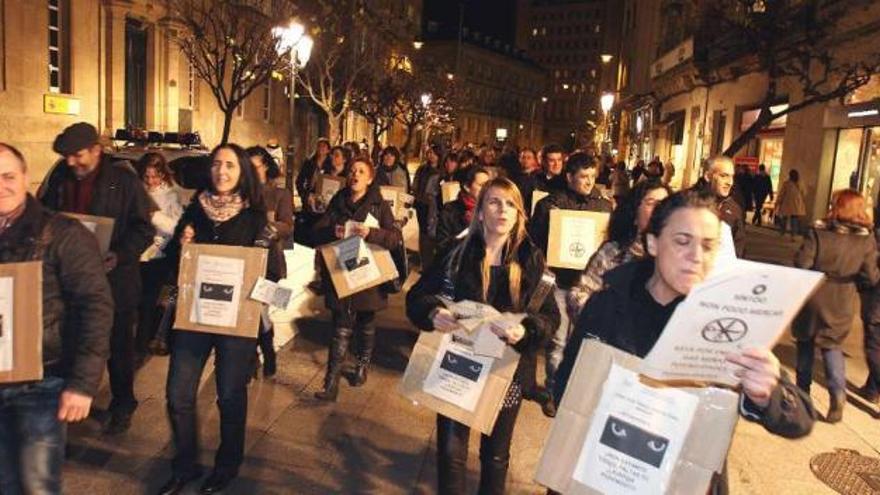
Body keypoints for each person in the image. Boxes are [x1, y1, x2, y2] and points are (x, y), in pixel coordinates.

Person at [555, 190, 815, 493]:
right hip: (604, 472)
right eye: (682, 241)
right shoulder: (606, 305)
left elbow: (801, 419)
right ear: (653, 243)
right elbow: (565, 386)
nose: (696, 257)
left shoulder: (725, 321)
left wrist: (767, 395)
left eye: (708, 246)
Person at [406, 178, 560, 495]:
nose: (502, 210)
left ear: (519, 214)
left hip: (508, 372)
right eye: (494, 202)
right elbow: (418, 296)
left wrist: (525, 329)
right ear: (480, 212)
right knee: (450, 454)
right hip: (458, 365)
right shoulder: (455, 252)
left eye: (510, 204)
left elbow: (550, 318)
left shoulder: (532, 260)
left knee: (495, 456)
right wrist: (434, 313)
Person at [160, 144, 285, 495]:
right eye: (216, 164)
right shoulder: (194, 212)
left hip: (235, 327)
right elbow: (174, 265)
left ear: (242, 172)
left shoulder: (255, 219)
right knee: (177, 394)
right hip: (194, 321)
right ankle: (185, 465)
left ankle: (227, 466)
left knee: (229, 396)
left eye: (230, 165)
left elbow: (273, 276)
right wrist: (180, 247)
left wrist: (256, 279)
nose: (221, 171)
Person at [0, 143, 113, 494]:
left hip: (41, 384)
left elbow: (96, 306)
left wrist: (81, 384)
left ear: (26, 178)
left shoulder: (63, 234)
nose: (0, 185)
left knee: (36, 486)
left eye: (7, 176)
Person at [39, 122, 154, 435]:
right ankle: (70, 397)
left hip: (115, 281)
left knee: (118, 348)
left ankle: (123, 403)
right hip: (71, 284)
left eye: (77, 155)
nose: (72, 162)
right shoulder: (61, 180)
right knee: (73, 344)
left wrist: (119, 253)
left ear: (96, 150)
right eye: (67, 156)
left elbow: (144, 228)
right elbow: (44, 218)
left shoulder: (124, 182)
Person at [529, 152, 613, 417]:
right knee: (558, 342)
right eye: (583, 177)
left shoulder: (604, 207)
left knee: (585, 343)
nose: (589, 182)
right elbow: (535, 241)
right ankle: (554, 392)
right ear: (569, 177)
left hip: (589, 287)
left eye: (592, 176)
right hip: (559, 283)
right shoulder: (550, 205)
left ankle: (576, 392)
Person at [311, 157, 402, 401]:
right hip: (341, 272)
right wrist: (333, 230)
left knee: (365, 323)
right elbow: (317, 230)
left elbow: (394, 238)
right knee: (339, 327)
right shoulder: (338, 201)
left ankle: (362, 364)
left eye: (361, 171)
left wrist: (372, 233)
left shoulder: (378, 205)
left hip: (367, 273)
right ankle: (330, 384)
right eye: (352, 170)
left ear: (370, 178)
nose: (355, 175)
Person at [792, 189, 879, 423]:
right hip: (843, 298)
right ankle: (837, 396)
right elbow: (871, 276)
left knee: (805, 344)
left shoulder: (818, 231)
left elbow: (802, 263)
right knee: (832, 346)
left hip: (814, 294)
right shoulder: (866, 239)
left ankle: (802, 396)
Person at [567, 180, 671, 321]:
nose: (659, 209)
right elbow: (579, 295)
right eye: (651, 203)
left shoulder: (675, 257)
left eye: (664, 203)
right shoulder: (613, 252)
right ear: (635, 213)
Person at [247, 146, 294, 378]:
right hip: (245, 260)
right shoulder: (241, 193)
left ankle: (268, 350)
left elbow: (287, 225)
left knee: (262, 311)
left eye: (255, 166)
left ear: (266, 166)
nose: (252, 172)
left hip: (270, 261)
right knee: (248, 309)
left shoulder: (280, 194)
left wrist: (270, 228)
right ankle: (252, 356)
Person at [136, 152, 186, 356]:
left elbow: (177, 227)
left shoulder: (172, 195)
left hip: (160, 254)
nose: (151, 181)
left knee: (153, 300)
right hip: (138, 253)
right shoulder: (138, 191)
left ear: (163, 175)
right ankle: (141, 339)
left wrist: (155, 217)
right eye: (146, 177)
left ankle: (148, 340)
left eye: (155, 176)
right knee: (138, 301)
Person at [700, 155, 745, 256]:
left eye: (732, 176)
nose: (730, 182)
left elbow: (739, 246)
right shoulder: (689, 203)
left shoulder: (735, 208)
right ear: (708, 176)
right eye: (723, 176)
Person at [437, 166, 490, 251]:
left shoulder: (491, 209)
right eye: (482, 185)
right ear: (467, 187)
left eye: (489, 184)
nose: (487, 188)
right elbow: (442, 245)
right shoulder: (450, 211)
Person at [294, 138, 331, 245]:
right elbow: (300, 181)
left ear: (328, 150)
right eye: (319, 146)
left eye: (324, 147)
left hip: (323, 199)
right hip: (309, 197)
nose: (321, 149)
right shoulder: (309, 162)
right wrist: (304, 195)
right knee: (307, 222)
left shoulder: (330, 164)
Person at [413, 143, 443, 270]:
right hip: (421, 204)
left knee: (433, 232)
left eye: (433, 153)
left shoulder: (442, 172)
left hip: (434, 207)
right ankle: (424, 260)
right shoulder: (422, 169)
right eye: (429, 153)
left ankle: (432, 261)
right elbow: (415, 184)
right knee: (423, 233)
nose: (430, 155)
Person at [775, 169, 807, 238]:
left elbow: (781, 194)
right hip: (796, 205)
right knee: (794, 221)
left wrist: (777, 202)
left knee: (784, 218)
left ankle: (782, 232)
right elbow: (804, 193)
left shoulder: (786, 184)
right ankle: (793, 235)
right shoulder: (800, 184)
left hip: (786, 205)